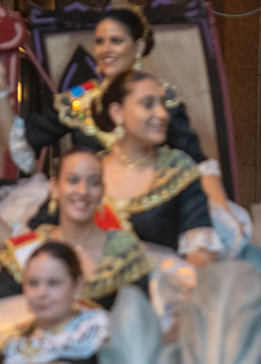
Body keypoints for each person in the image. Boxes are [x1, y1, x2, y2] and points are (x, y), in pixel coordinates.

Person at [0, 1, 232, 218]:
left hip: (149, 208)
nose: (106, 49)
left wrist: (223, 213)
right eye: (100, 41)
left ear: (138, 46)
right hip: (88, 208)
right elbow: (21, 146)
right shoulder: (79, 101)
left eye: (116, 41)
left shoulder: (160, 100)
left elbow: (199, 165)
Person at [0, 141, 149, 309]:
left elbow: (141, 324)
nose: (83, 190)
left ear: (103, 191)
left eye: (93, 182)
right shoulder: (30, 250)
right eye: (73, 180)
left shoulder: (124, 251)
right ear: (54, 187)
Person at [91, 71, 219, 263]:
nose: (162, 114)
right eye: (147, 104)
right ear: (118, 113)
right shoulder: (88, 172)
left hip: (163, 289)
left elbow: (200, 256)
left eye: (163, 104)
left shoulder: (178, 170)